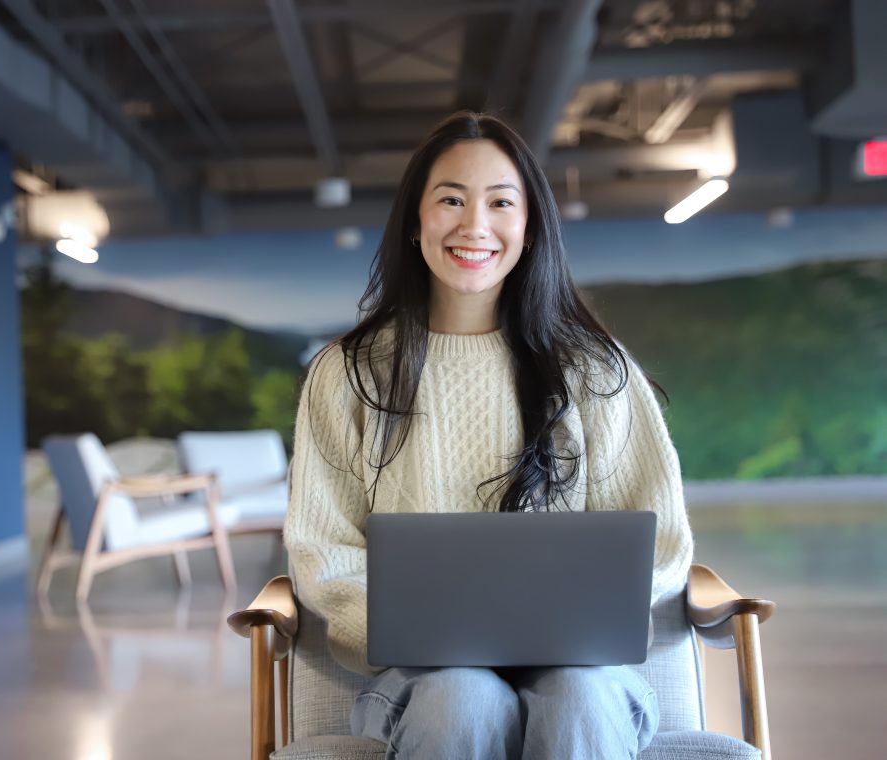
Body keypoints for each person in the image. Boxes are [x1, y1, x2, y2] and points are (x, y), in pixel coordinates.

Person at [283, 111, 694, 760]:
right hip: (419, 681)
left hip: (584, 673)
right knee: (463, 697)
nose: (475, 225)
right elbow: (322, 550)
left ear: (529, 228)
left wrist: (575, 628)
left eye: (501, 203)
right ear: (415, 222)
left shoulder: (595, 370)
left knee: (578, 698)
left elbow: (661, 541)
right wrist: (412, 633)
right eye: (450, 200)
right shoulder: (348, 375)